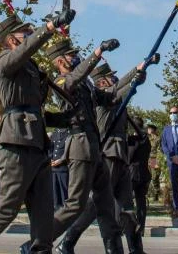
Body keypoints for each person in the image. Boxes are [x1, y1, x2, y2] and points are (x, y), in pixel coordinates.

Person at [0, 8, 75, 254]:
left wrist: (67, 118)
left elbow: (38, 108)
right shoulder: (4, 60)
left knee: (43, 212)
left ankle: (41, 248)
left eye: (31, 31)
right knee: (8, 205)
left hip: (37, 143)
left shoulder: (28, 67)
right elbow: (24, 53)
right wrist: (49, 29)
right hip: (15, 140)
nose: (29, 34)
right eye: (25, 32)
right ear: (11, 39)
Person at [38, 38, 124, 254]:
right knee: (75, 204)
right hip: (80, 145)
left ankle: (114, 249)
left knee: (105, 206)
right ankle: (37, 243)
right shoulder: (62, 82)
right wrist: (97, 52)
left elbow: (109, 97)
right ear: (59, 61)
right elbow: (75, 79)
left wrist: (134, 77)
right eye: (70, 55)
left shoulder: (85, 83)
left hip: (94, 146)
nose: (75, 57)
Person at [64, 59, 148, 254]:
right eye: (110, 77)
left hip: (120, 156)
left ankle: (136, 248)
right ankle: (68, 240)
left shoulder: (112, 96)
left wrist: (140, 71)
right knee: (95, 204)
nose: (114, 79)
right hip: (108, 154)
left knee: (127, 206)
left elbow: (124, 89)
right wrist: (135, 80)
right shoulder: (102, 103)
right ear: (102, 82)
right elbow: (121, 92)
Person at [127, 116, 152, 238]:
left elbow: (129, 156)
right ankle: (141, 227)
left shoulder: (134, 139)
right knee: (141, 202)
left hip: (132, 173)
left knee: (126, 201)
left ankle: (128, 226)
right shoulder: (146, 139)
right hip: (144, 173)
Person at [49, 127, 69, 210]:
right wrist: (50, 158)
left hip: (64, 169)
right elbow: (51, 148)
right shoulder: (55, 132)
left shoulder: (69, 133)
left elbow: (69, 150)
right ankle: (56, 214)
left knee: (64, 194)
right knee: (55, 194)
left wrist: (61, 160)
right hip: (53, 169)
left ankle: (66, 213)